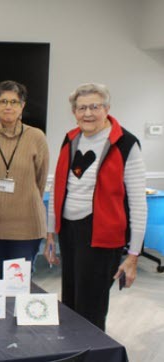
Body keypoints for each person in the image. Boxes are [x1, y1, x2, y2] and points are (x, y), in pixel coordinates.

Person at [45, 83, 147, 331]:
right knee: (70, 300)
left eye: (94, 107)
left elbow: (137, 203)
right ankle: (71, 350)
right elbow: (59, 187)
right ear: (74, 111)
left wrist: (134, 255)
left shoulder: (125, 144)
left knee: (90, 307)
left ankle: (91, 353)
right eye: (81, 108)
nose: (87, 113)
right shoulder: (71, 139)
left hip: (102, 234)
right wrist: (51, 233)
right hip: (70, 230)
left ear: (107, 108)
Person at [0, 81, 49, 278]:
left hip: (26, 228)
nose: (8, 106)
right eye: (3, 101)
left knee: (18, 286)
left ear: (22, 106)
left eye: (14, 102)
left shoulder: (36, 137)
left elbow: (40, 180)